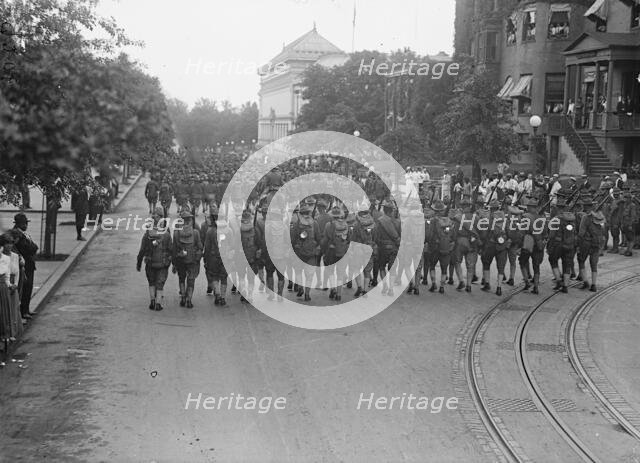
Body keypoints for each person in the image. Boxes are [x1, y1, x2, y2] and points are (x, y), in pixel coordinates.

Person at [136, 207, 172, 311]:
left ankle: (152, 301)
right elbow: (171, 249)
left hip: (150, 261)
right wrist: (172, 262)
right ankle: (158, 304)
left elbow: (142, 249)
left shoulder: (148, 233)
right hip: (163, 263)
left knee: (151, 282)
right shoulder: (167, 232)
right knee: (160, 283)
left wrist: (139, 262)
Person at [172, 210, 203, 308]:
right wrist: (198, 257)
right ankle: (189, 300)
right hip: (192, 261)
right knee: (191, 280)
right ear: (190, 220)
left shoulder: (176, 233)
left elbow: (174, 249)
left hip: (180, 260)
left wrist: (174, 263)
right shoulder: (195, 233)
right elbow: (200, 247)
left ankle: (183, 297)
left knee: (181, 279)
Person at [11, 213, 38, 320]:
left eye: (26, 223)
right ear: (18, 224)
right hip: (24, 266)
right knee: (25, 289)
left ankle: (26, 310)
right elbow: (29, 248)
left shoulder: (23, 233)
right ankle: (23, 312)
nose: (26, 225)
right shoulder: (17, 234)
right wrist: (33, 247)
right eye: (24, 223)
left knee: (28, 288)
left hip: (29, 265)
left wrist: (33, 247)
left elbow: (33, 246)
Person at [577, 197, 604, 292]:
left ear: (584, 206)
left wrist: (578, 245)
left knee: (581, 260)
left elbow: (581, 233)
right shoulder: (599, 216)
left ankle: (585, 282)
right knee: (594, 265)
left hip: (586, 243)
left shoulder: (585, 217)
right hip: (596, 243)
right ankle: (594, 284)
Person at [375, 200, 401, 296]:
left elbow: (376, 236)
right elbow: (400, 235)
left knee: (381, 267)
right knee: (393, 269)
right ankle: (391, 289)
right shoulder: (398, 222)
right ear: (392, 211)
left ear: (384, 210)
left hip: (382, 248)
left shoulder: (379, 221)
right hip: (394, 248)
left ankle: (385, 285)